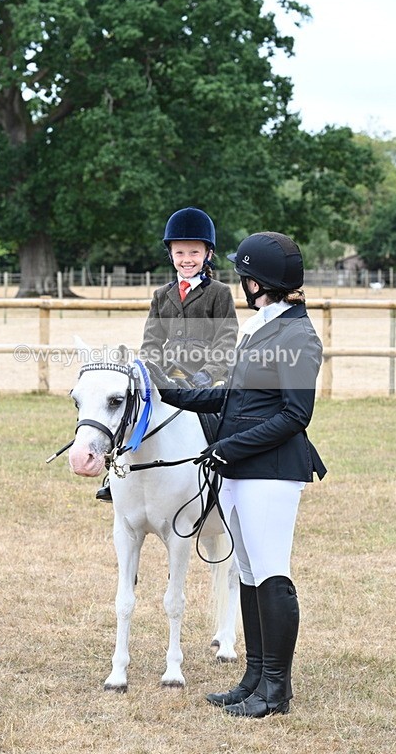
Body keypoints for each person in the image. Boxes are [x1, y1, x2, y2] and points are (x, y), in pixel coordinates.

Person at [147, 231, 327, 718]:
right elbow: (236, 398)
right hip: (244, 470)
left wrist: (227, 447)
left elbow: (295, 415)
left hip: (270, 472)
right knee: (248, 576)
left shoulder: (298, 335)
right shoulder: (264, 327)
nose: (241, 282)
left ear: (259, 281)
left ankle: (277, 691)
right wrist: (173, 393)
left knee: (272, 577)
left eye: (245, 275)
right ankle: (253, 677)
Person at [95, 206, 238, 501]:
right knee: (130, 416)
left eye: (194, 253)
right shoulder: (162, 295)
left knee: (219, 420)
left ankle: (225, 476)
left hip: (206, 379)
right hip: (165, 377)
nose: (187, 260)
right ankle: (115, 477)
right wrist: (150, 372)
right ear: (171, 254)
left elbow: (226, 341)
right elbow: (151, 341)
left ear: (208, 254)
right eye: (181, 253)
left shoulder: (220, 293)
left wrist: (206, 375)